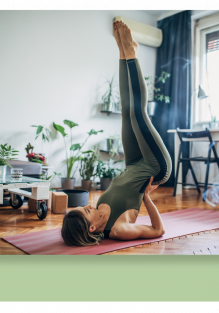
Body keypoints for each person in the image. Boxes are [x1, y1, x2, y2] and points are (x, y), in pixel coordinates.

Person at [61, 21, 172, 246]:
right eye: (86, 211)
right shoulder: (119, 229)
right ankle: (131, 53)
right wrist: (147, 197)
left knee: (126, 112)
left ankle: (124, 52)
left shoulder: (100, 205)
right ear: (92, 227)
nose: (89, 206)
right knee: (138, 114)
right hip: (155, 168)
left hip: (132, 164)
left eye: (85, 206)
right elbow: (158, 230)